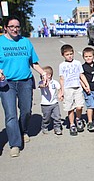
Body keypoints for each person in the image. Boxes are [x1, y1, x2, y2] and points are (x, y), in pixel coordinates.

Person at [0, 16, 49, 157]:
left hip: (25, 81)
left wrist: (43, 73)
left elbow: (33, 62)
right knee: (10, 114)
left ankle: (23, 130)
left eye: (17, 27)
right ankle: (15, 143)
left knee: (26, 110)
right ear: (5, 28)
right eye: (12, 27)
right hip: (7, 83)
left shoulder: (25, 42)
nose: (15, 29)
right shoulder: (0, 42)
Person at [58, 44, 90, 136]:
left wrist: (86, 85)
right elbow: (61, 79)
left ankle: (78, 119)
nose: (70, 56)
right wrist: (61, 91)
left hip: (78, 87)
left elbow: (81, 75)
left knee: (79, 106)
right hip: (68, 89)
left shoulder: (77, 63)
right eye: (67, 54)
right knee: (70, 108)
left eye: (71, 54)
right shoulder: (62, 65)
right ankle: (72, 124)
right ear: (63, 55)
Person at [82, 47, 94, 132]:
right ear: (83, 57)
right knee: (90, 105)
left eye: (90, 56)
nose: (88, 58)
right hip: (88, 90)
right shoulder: (83, 67)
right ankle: (89, 122)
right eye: (86, 56)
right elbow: (80, 78)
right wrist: (85, 87)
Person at [38, 66, 62, 135]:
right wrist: (44, 84)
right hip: (45, 104)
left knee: (57, 116)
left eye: (42, 75)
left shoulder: (55, 82)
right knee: (46, 117)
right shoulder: (41, 82)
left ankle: (57, 127)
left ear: (49, 75)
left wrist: (60, 94)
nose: (41, 77)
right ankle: (44, 126)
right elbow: (40, 86)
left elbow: (59, 88)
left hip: (54, 103)